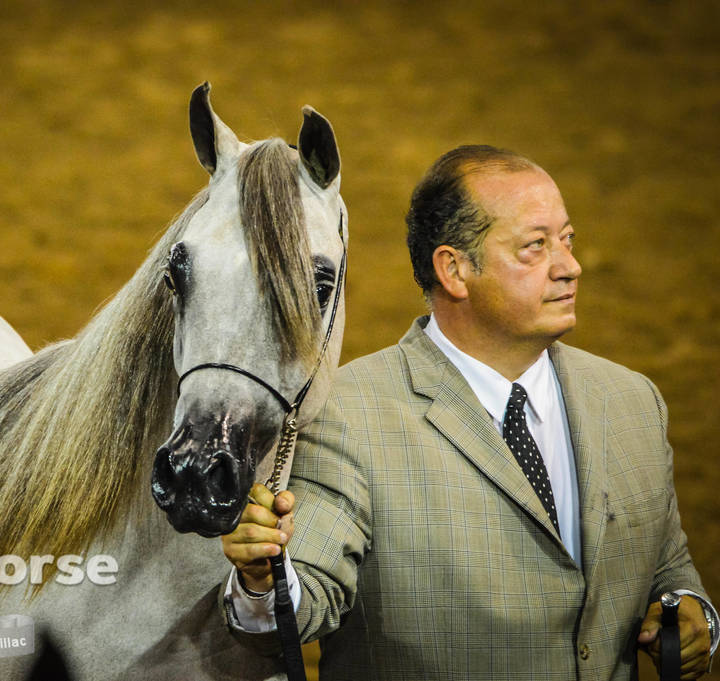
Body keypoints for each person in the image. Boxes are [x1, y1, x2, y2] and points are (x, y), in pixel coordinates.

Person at [220, 145, 718, 680]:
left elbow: (668, 568)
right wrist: (263, 580)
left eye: (567, 240)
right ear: (454, 270)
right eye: (535, 246)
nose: (570, 267)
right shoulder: (346, 412)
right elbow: (303, 599)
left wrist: (694, 614)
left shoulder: (632, 401)